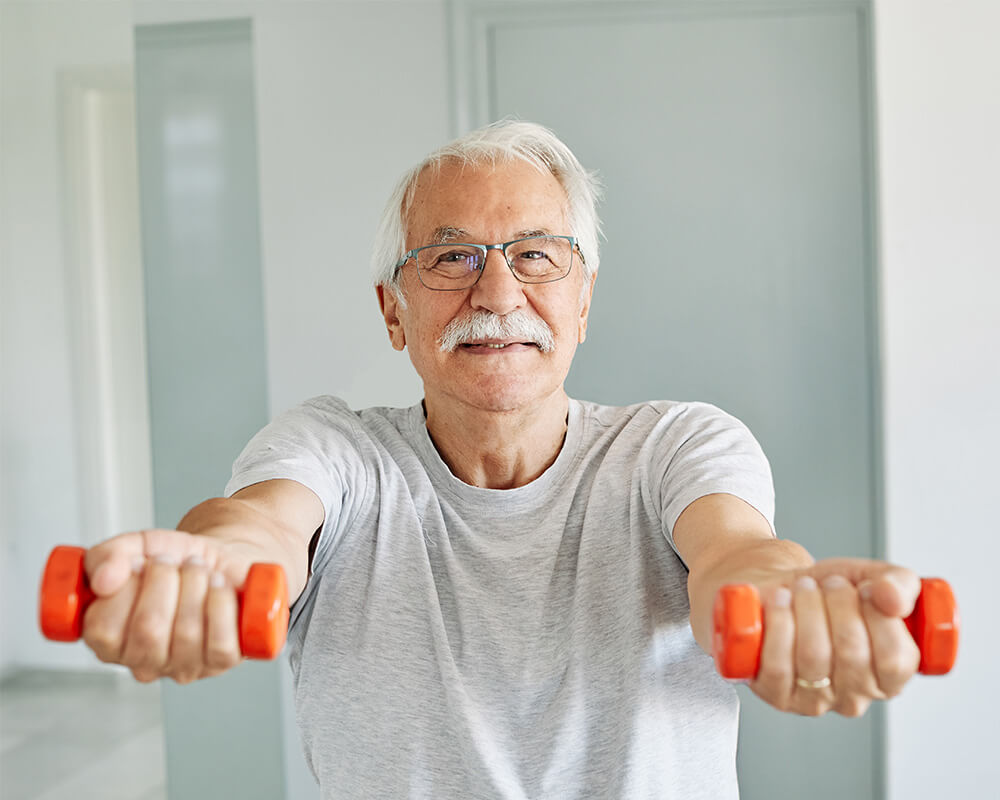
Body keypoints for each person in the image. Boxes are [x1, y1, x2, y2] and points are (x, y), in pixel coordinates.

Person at [80, 121, 921, 798]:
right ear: (394, 311)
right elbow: (256, 526)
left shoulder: (677, 445)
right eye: (450, 257)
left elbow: (739, 557)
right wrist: (214, 564)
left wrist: (781, 601)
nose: (497, 292)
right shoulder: (335, 449)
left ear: (582, 300)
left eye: (536, 254)